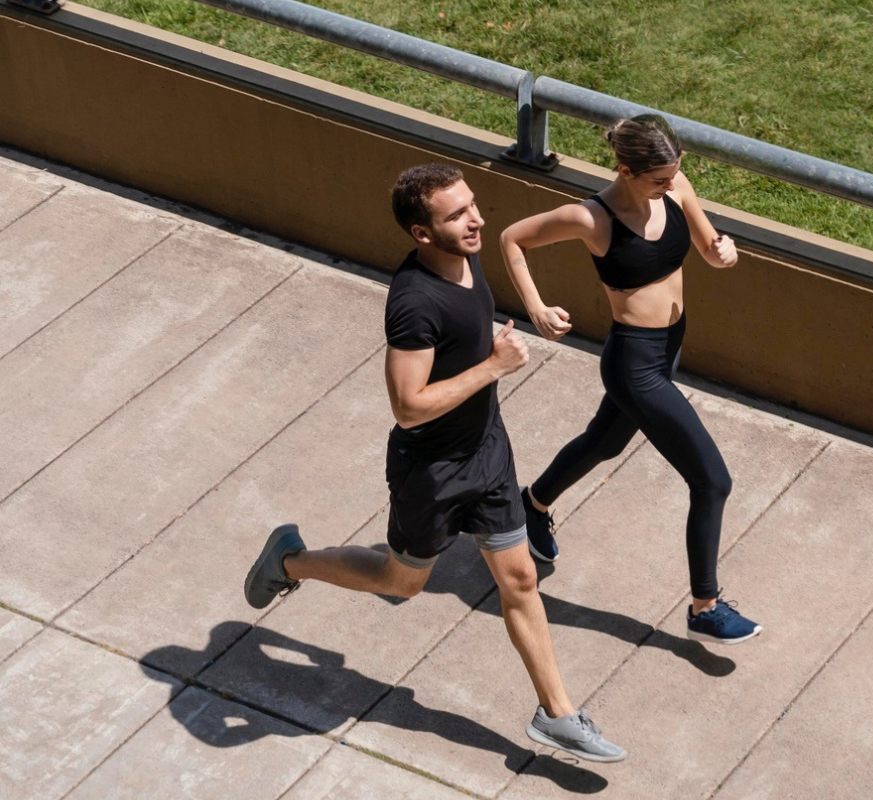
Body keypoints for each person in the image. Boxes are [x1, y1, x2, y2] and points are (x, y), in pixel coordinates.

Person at [243, 164, 624, 763]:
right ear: (423, 233)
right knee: (402, 583)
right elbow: (407, 406)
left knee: (520, 580)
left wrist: (522, 320)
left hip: (487, 451)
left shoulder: (465, 255)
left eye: (473, 205)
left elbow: (486, 284)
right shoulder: (414, 303)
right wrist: (493, 367)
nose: (476, 220)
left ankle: (558, 716)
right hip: (433, 472)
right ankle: (289, 559)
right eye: (457, 215)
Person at [499, 114, 762, 645]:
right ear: (626, 171)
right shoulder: (592, 218)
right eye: (659, 179)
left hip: (669, 345)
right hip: (634, 363)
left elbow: (709, 248)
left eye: (675, 173)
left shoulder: (676, 186)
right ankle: (705, 607)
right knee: (712, 480)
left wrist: (724, 252)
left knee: (605, 442)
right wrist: (536, 307)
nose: (671, 184)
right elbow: (512, 239)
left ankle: (532, 505)